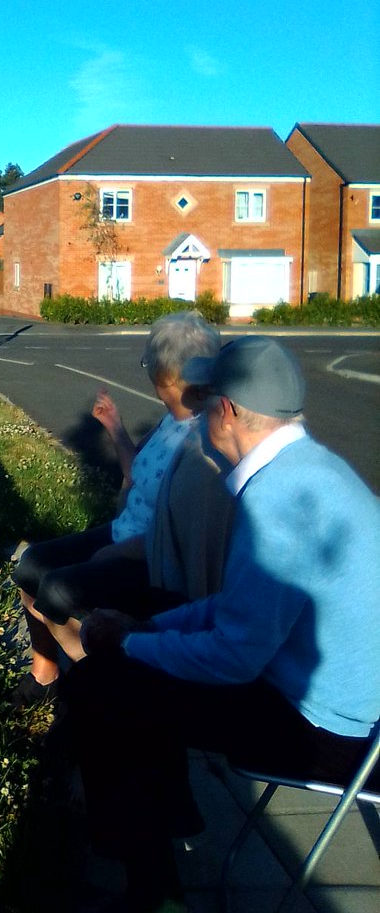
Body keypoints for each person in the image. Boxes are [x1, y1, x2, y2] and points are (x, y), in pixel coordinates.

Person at [64, 337, 380, 913]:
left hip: (330, 733)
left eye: (206, 398)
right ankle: (162, 821)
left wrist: (132, 641)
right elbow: (238, 606)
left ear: (227, 411)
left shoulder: (276, 501)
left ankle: (154, 893)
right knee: (142, 641)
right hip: (329, 700)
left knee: (103, 687)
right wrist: (149, 628)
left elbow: (235, 657)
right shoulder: (308, 471)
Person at [12, 312, 222, 706]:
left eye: (152, 367)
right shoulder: (172, 419)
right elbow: (139, 473)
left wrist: (118, 551)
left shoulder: (209, 439)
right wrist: (115, 428)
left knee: (57, 589)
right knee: (31, 565)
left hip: (153, 556)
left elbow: (182, 535)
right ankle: (47, 672)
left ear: (169, 377)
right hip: (124, 530)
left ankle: (101, 690)